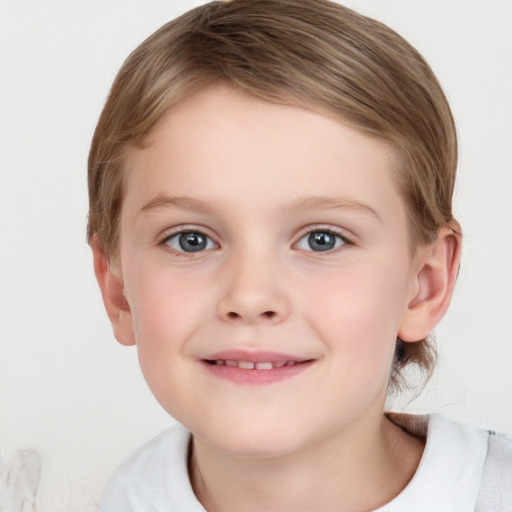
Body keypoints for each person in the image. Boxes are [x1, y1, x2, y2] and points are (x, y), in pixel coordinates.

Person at [87, 0, 512, 509]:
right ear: (118, 290)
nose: (250, 296)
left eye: (322, 240)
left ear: (424, 284)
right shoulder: (120, 497)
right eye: (191, 239)